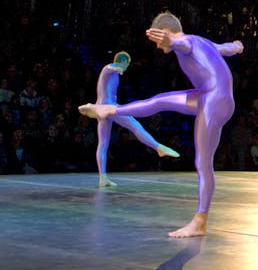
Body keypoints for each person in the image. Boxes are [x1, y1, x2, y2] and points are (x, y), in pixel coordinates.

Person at [80, 12, 243, 237]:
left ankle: (200, 221)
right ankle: (109, 109)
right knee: (158, 101)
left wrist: (171, 41)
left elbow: (180, 42)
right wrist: (236, 46)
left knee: (203, 161)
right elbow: (224, 48)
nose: (158, 47)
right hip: (210, 97)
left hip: (215, 101)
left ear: (164, 32)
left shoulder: (185, 42)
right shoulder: (202, 41)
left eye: (158, 41)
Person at [88, 51, 179, 188]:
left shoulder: (112, 74)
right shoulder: (109, 69)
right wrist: (117, 67)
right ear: (123, 62)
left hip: (101, 108)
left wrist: (117, 69)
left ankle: (103, 178)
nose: (126, 68)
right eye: (126, 65)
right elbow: (109, 68)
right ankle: (158, 147)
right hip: (109, 108)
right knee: (135, 126)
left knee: (103, 144)